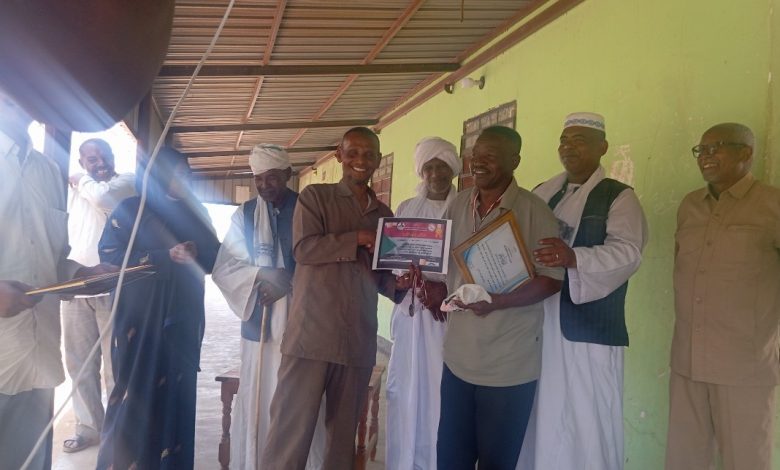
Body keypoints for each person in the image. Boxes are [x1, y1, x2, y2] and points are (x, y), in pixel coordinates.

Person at [419, 126, 564, 470]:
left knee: (497, 462)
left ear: (515, 161)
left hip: (508, 366)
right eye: (475, 155)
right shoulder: (458, 204)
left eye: (491, 156)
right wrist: (430, 282)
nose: (478, 163)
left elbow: (551, 281)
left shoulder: (535, 211)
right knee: (450, 458)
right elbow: (445, 264)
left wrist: (498, 301)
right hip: (459, 358)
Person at [262, 127, 407, 469]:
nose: (360, 160)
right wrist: (357, 237)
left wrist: (404, 285)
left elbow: (382, 274)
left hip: (357, 340)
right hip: (312, 337)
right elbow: (304, 249)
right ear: (339, 155)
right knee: (289, 435)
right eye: (352, 152)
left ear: (378, 159)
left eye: (369, 154)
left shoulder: (384, 215)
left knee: (341, 444)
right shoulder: (315, 197)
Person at [520, 112, 648, 470]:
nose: (569, 147)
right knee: (540, 411)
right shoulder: (543, 192)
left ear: (602, 147)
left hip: (588, 330)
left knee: (586, 417)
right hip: (540, 321)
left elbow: (628, 253)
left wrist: (574, 257)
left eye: (579, 140)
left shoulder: (618, 197)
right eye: (564, 140)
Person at [0, 89, 115, 470]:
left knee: (31, 460)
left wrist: (81, 275)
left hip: (38, 356)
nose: (18, 95)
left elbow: (51, 257)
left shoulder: (48, 171)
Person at [96, 147, 220, 469]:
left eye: (187, 174)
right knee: (134, 393)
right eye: (179, 174)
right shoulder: (130, 210)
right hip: (139, 320)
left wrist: (196, 251)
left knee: (178, 396)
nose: (185, 179)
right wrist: (162, 257)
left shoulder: (195, 212)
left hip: (182, 321)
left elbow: (215, 256)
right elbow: (110, 256)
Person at [665, 123, 780, 470]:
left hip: (743, 365)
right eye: (701, 150)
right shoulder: (690, 205)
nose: (706, 156)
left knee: (746, 461)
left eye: (716, 148)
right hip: (687, 361)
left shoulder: (772, 204)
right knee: (684, 459)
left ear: (746, 153)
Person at [212, 144, 325, 469]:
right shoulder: (245, 214)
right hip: (259, 325)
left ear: (288, 174)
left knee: (300, 399)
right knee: (259, 396)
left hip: (303, 321)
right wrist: (263, 274)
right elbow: (225, 266)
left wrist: (287, 281)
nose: (265, 186)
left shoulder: (308, 208)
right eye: (259, 179)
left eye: (272, 177)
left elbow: (323, 261)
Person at [385, 137, 460, 470]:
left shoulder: (464, 208)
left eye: (442, 166)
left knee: (440, 390)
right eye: (428, 167)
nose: (435, 174)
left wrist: (443, 288)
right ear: (421, 171)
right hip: (412, 313)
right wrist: (412, 282)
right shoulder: (406, 209)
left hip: (448, 316)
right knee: (406, 387)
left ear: (453, 169)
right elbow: (393, 259)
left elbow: (468, 262)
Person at [61, 138, 135, 453]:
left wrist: (81, 179)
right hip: (76, 288)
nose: (100, 162)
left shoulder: (125, 183)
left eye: (105, 156)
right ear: (82, 162)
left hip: (113, 285)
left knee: (116, 365)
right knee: (79, 364)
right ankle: (89, 429)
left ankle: (120, 431)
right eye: (92, 159)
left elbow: (104, 198)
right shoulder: (73, 192)